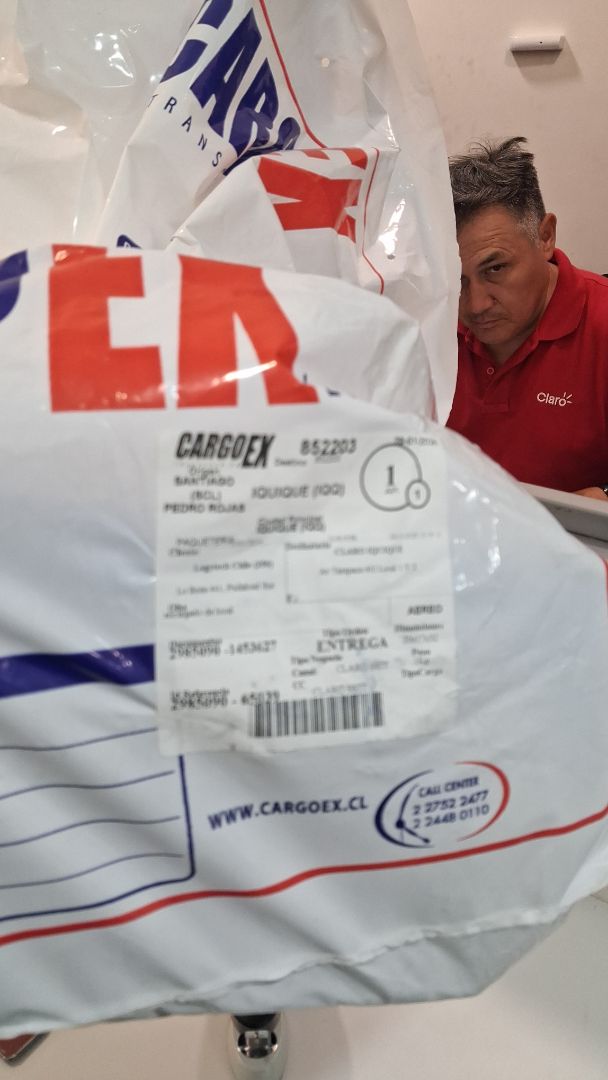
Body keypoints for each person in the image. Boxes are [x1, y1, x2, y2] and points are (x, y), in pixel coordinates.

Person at [446, 136, 608, 500]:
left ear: (545, 236)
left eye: (496, 268)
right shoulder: (428, 323)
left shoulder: (602, 324)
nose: (475, 305)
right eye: (456, 278)